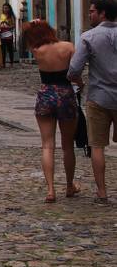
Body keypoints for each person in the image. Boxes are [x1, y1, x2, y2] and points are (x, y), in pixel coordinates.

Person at [22, 21, 80, 203]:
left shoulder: (37, 50)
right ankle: (69, 185)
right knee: (68, 144)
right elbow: (75, 72)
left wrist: (34, 24)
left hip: (46, 94)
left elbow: (30, 31)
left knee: (47, 145)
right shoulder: (68, 47)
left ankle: (50, 190)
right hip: (65, 94)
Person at [69, 0, 117, 204]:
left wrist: (79, 82)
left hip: (99, 97)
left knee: (97, 146)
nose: (88, 14)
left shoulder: (89, 37)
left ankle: (102, 192)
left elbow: (73, 70)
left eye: (91, 11)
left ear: (102, 13)